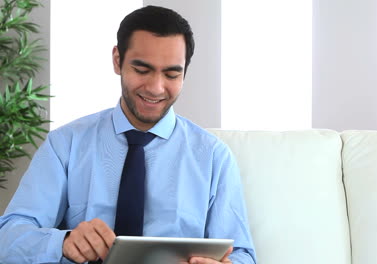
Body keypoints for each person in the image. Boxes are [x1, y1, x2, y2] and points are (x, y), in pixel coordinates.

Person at [0, 5, 256, 264]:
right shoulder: (65, 145)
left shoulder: (214, 157)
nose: (156, 88)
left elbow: (243, 255)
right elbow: (8, 239)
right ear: (117, 60)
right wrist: (63, 243)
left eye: (171, 74)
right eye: (142, 70)